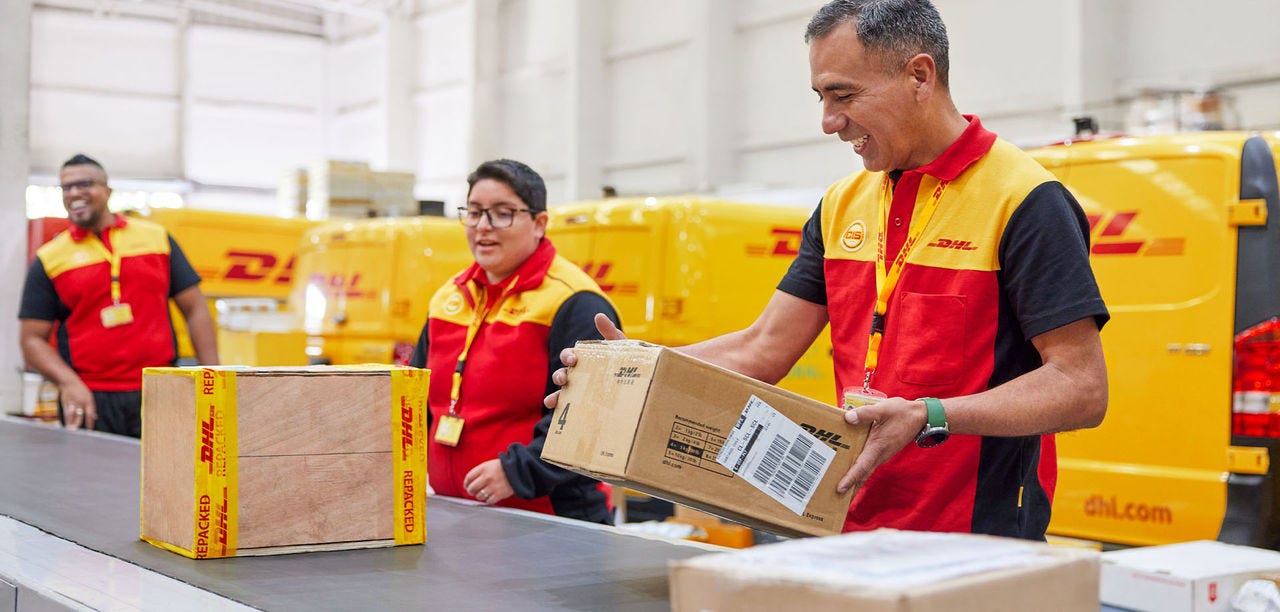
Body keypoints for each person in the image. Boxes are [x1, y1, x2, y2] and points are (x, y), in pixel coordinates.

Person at [548, 0, 1108, 540]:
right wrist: (631, 368)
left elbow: (1080, 388)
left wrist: (928, 415)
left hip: (972, 538)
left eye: (843, 95)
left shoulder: (1025, 201)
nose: (828, 121)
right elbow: (761, 348)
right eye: (820, 96)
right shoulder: (843, 204)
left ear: (919, 75)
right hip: (843, 521)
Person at [409, 159, 619, 524]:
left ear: (539, 224)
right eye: (473, 213)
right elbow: (416, 399)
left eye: (502, 214)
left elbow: (592, 419)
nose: (483, 227)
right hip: (460, 514)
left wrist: (518, 472)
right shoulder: (448, 298)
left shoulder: (575, 303)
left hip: (550, 522)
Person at [19, 154, 219, 437]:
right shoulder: (50, 258)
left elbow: (196, 308)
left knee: (164, 480)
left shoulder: (156, 239)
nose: (75, 192)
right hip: (89, 397)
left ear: (107, 190)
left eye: (85, 183)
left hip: (159, 390)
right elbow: (31, 339)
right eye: (66, 187)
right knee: (88, 481)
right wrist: (68, 382)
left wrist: (213, 379)